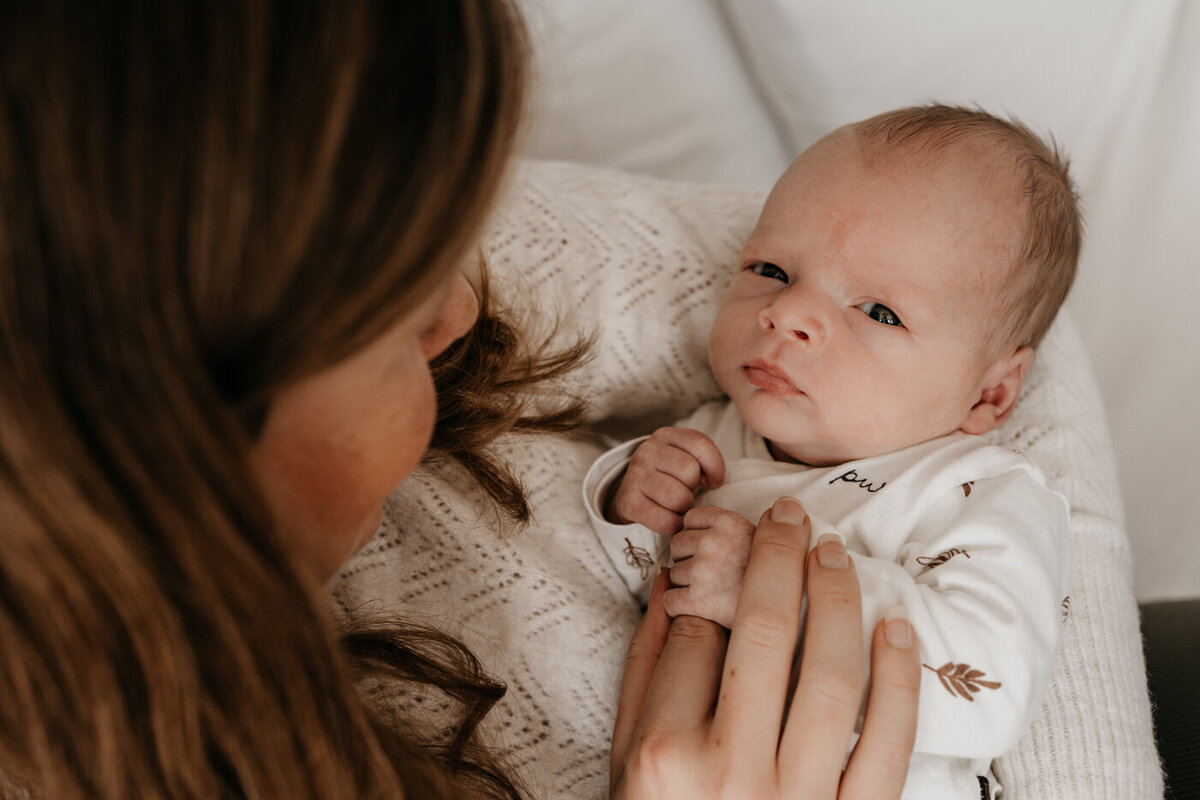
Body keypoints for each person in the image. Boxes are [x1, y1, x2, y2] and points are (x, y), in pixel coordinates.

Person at [0, 2, 921, 798]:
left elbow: (980, 309)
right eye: (398, 316)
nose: (466, 309)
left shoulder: (289, 189)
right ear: (166, 435)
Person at [587, 105, 1080, 798]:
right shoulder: (714, 436)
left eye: (879, 312)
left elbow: (993, 681)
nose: (787, 314)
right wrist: (629, 499)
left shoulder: (975, 492)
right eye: (772, 268)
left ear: (988, 397)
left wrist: (773, 590)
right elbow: (611, 598)